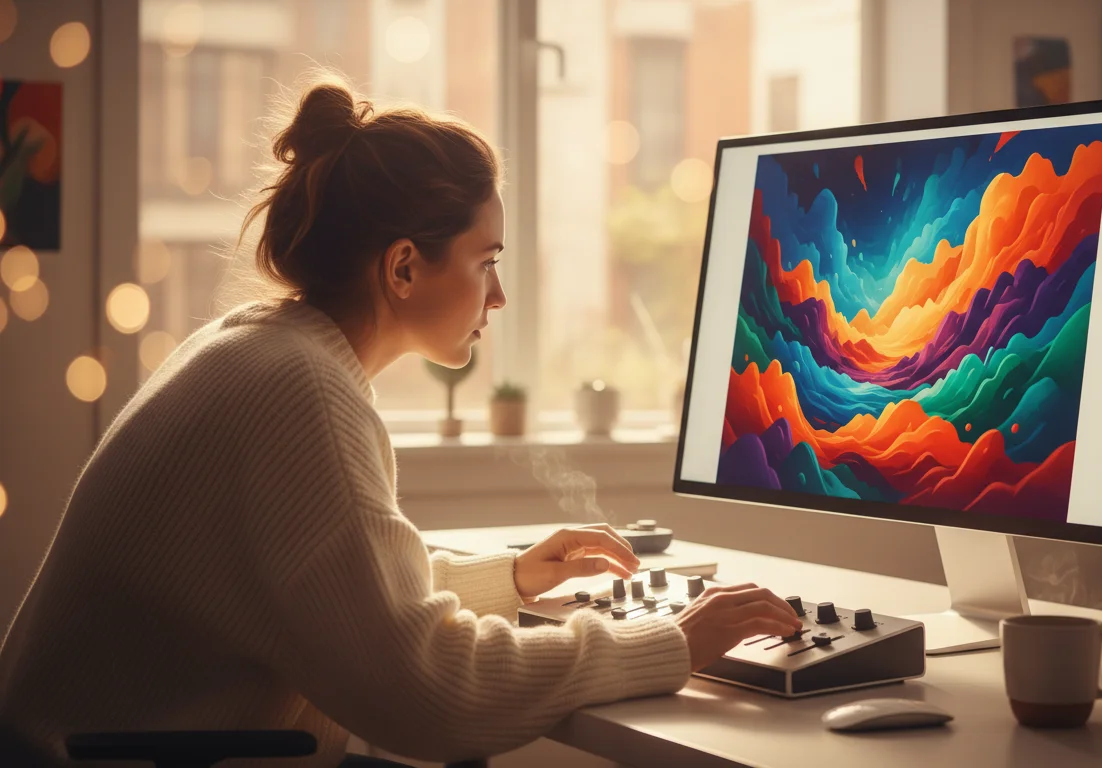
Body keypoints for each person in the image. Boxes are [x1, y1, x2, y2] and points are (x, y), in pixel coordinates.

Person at [0, 72, 802, 767]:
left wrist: (511, 577)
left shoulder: (262, 348)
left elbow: (333, 597)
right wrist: (669, 643)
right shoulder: (299, 390)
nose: (498, 296)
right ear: (404, 267)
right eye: (486, 262)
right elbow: (431, 694)